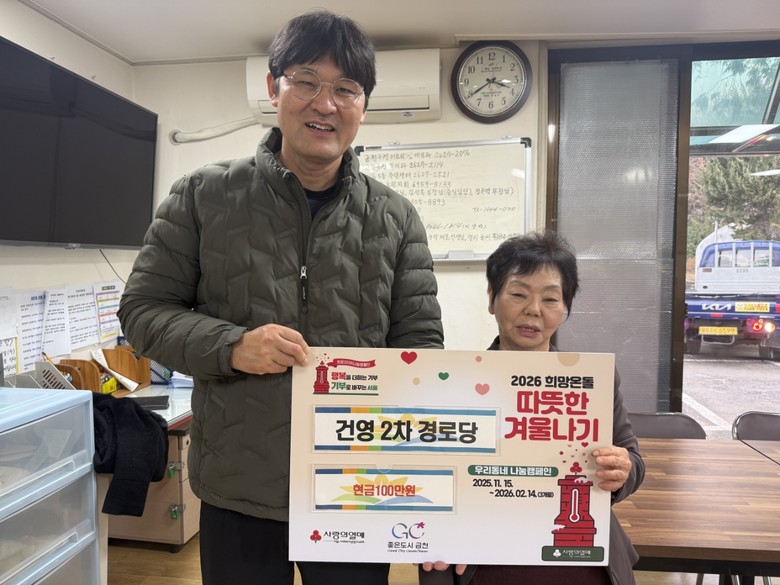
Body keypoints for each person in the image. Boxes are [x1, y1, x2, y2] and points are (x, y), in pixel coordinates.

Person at [117, 10, 443, 585]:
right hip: (238, 485)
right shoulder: (203, 196)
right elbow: (142, 312)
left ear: (364, 105)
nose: (326, 104)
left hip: (355, 485)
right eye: (306, 81)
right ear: (273, 88)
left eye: (346, 89)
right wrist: (231, 346)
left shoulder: (394, 217)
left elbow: (419, 346)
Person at [420, 230, 644, 585]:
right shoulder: (453, 381)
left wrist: (621, 471)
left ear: (565, 309)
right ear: (492, 298)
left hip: (579, 556)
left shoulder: (590, 381)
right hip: (480, 561)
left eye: (550, 299)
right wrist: (432, 530)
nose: (533, 310)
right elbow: (425, 473)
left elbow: (633, 461)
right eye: (519, 294)